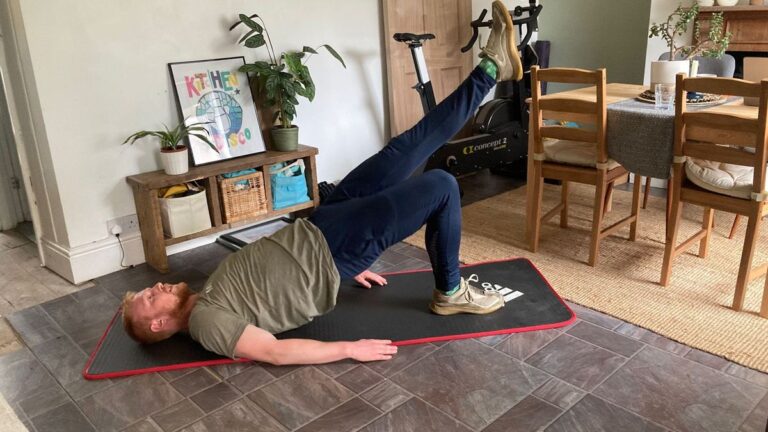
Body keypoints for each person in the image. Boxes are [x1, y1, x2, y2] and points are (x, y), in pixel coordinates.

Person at [122, 1, 523, 366]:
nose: (154, 287)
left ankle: (490, 68)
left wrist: (351, 272)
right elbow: (273, 352)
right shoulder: (207, 324)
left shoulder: (206, 295)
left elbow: (272, 280)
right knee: (441, 185)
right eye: (149, 298)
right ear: (158, 324)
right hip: (335, 247)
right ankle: (450, 292)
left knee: (407, 147)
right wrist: (348, 349)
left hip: (322, 225)